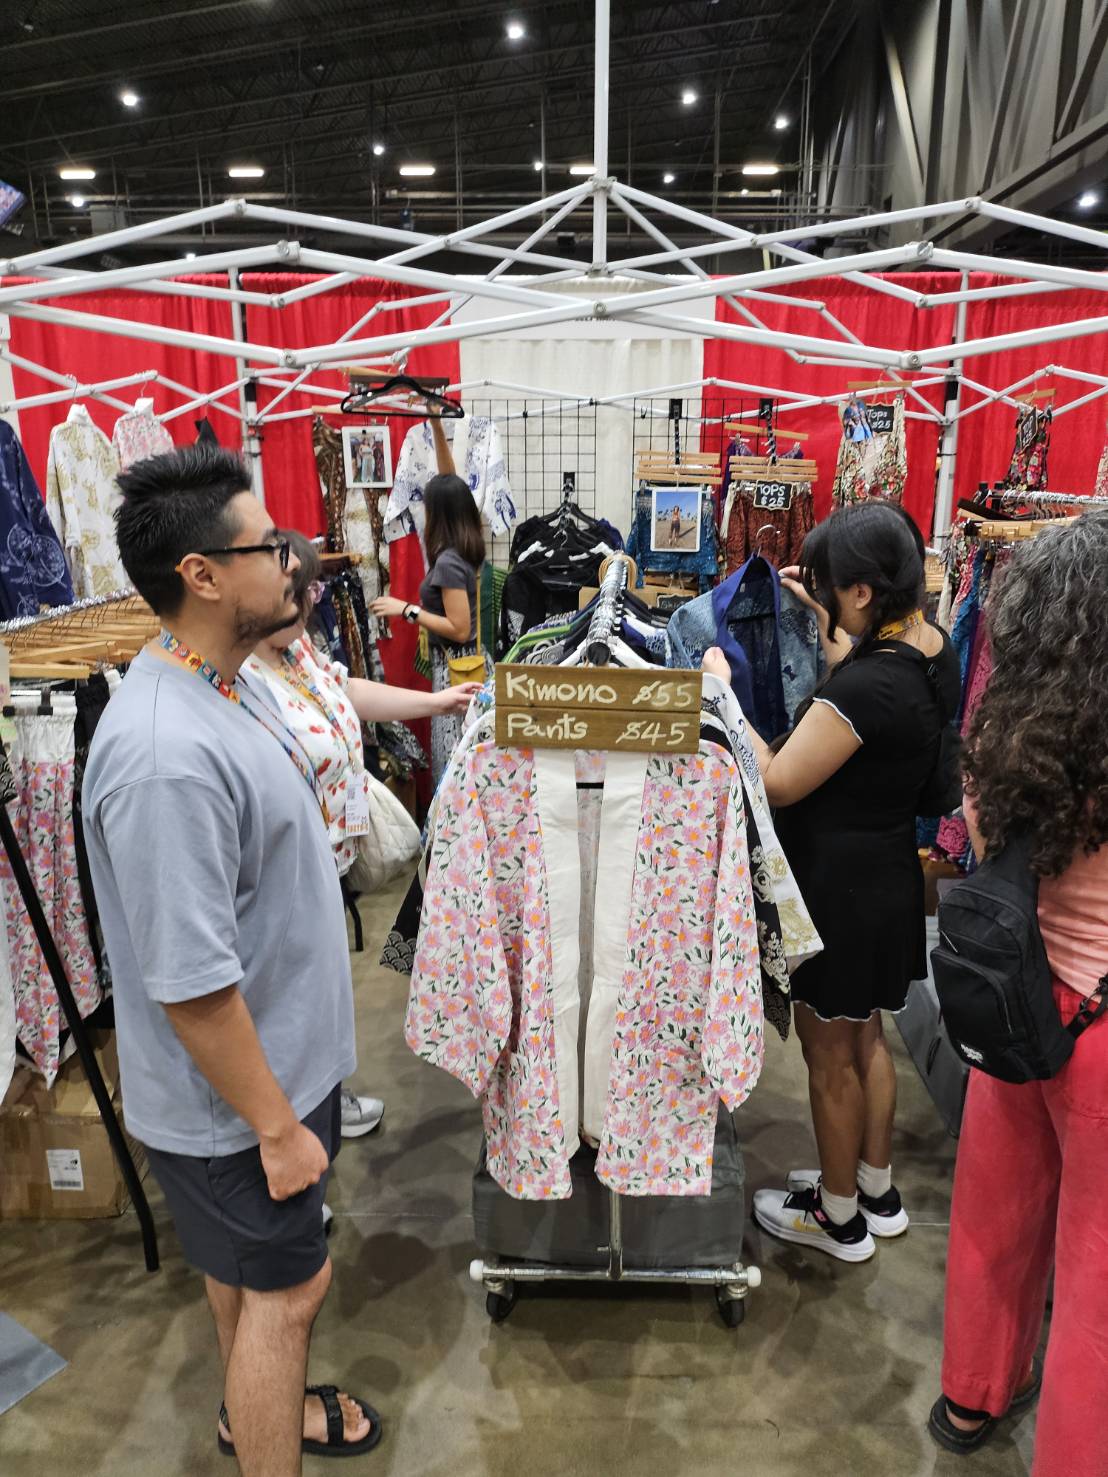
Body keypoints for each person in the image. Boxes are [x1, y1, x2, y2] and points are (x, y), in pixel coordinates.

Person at [83, 446, 380, 1473]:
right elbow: (191, 983)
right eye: (268, 546)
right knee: (290, 1292)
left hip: (273, 1082)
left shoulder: (224, 681)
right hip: (241, 1111)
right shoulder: (162, 754)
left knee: (250, 1282)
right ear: (203, 575)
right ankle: (263, 1424)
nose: (291, 563)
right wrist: (274, 1125)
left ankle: (251, 1413)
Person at [708, 501, 960, 1263]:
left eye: (830, 586)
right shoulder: (932, 649)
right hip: (886, 879)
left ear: (862, 592)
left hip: (836, 893)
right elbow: (873, 714)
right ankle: (875, 1190)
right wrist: (832, 626)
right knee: (867, 1036)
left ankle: (839, 1216)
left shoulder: (867, 687)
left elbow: (779, 778)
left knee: (829, 1055)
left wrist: (721, 691)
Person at [929, 512, 1108, 1472]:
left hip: (1015, 1002)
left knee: (993, 1216)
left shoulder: (1001, 735)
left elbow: (984, 843)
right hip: (1102, 1032)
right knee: (1095, 1283)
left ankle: (972, 1392)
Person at [243, 529, 478, 1139]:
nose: (306, 603)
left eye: (307, 590)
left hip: (326, 859)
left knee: (320, 991)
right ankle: (291, 1124)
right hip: (281, 871)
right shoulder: (239, 677)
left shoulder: (295, 651)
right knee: (283, 1002)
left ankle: (322, 1100)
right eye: (294, 590)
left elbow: (344, 689)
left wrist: (437, 703)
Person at [370, 471, 487, 784]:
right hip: (463, 664)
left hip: (455, 668)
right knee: (464, 759)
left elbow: (459, 628)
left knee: (452, 763)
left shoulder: (449, 561)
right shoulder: (464, 552)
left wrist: (407, 610)